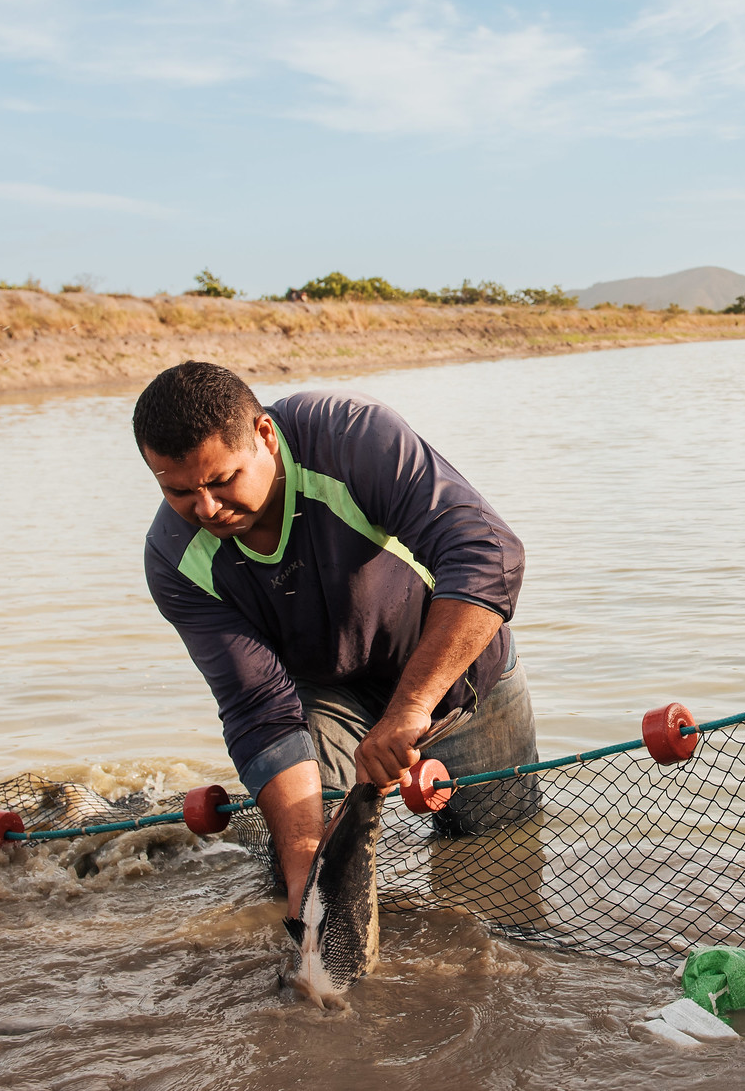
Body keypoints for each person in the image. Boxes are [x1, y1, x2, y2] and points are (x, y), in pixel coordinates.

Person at [134, 362, 537, 920]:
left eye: (222, 479)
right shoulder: (174, 560)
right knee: (302, 869)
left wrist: (411, 707)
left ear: (265, 437)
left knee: (497, 859)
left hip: (465, 681)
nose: (205, 509)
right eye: (178, 491)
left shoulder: (351, 438)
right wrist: (304, 873)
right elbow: (257, 709)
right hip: (327, 698)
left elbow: (488, 554)